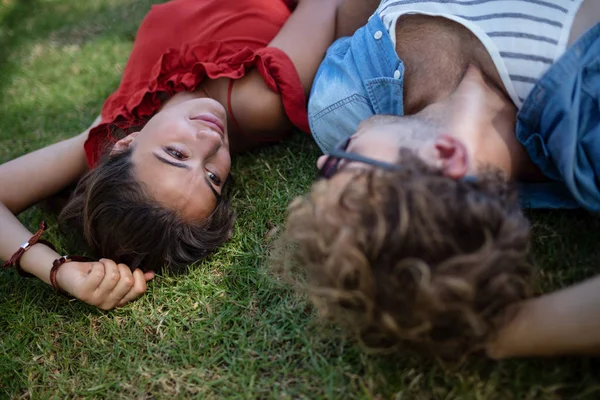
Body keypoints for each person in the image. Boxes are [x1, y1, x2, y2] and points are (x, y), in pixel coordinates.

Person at [277, 0, 600, 358]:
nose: (324, 158)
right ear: (444, 155)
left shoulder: (346, 103)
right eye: (344, 166)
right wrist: (499, 335)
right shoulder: (583, 113)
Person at [0, 0, 347, 310]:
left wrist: (59, 270)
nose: (209, 143)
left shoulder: (115, 127)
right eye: (213, 177)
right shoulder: (258, 102)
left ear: (126, 144)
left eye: (177, 153)